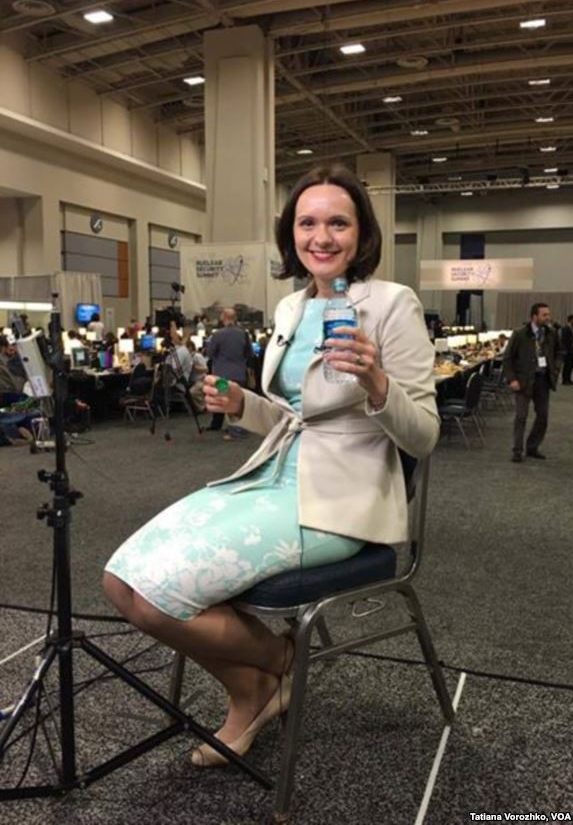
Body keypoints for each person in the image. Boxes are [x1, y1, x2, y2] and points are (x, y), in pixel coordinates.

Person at [102, 164, 439, 768]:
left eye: (338, 223)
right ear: (292, 235)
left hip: (342, 501)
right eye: (307, 223)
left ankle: (267, 675)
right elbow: (294, 415)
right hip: (271, 478)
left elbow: (425, 435)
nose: (321, 237)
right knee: (120, 582)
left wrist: (377, 383)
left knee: (161, 597)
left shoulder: (392, 304)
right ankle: (267, 674)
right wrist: (244, 405)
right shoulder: (289, 308)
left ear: (363, 234)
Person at [502, 302, 561, 463]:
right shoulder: (520, 334)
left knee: (543, 416)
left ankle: (532, 446)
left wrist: (556, 368)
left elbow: (559, 352)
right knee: (521, 416)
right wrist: (512, 379)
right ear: (534, 316)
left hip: (543, 380)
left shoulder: (551, 333)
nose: (548, 317)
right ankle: (517, 450)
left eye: (548, 314)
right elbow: (508, 358)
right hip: (523, 381)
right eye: (544, 315)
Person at [204, 307, 252, 438]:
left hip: (222, 373)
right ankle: (239, 427)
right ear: (235, 318)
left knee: (222, 400)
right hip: (240, 373)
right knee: (238, 401)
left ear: (223, 318)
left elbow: (210, 353)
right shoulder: (244, 334)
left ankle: (230, 429)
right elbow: (249, 353)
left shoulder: (218, 334)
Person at [560, 314, 573, 385]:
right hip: (568, 349)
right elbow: (564, 339)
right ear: (570, 320)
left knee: (572, 364)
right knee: (567, 365)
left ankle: (569, 378)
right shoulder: (566, 328)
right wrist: (564, 349)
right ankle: (565, 379)